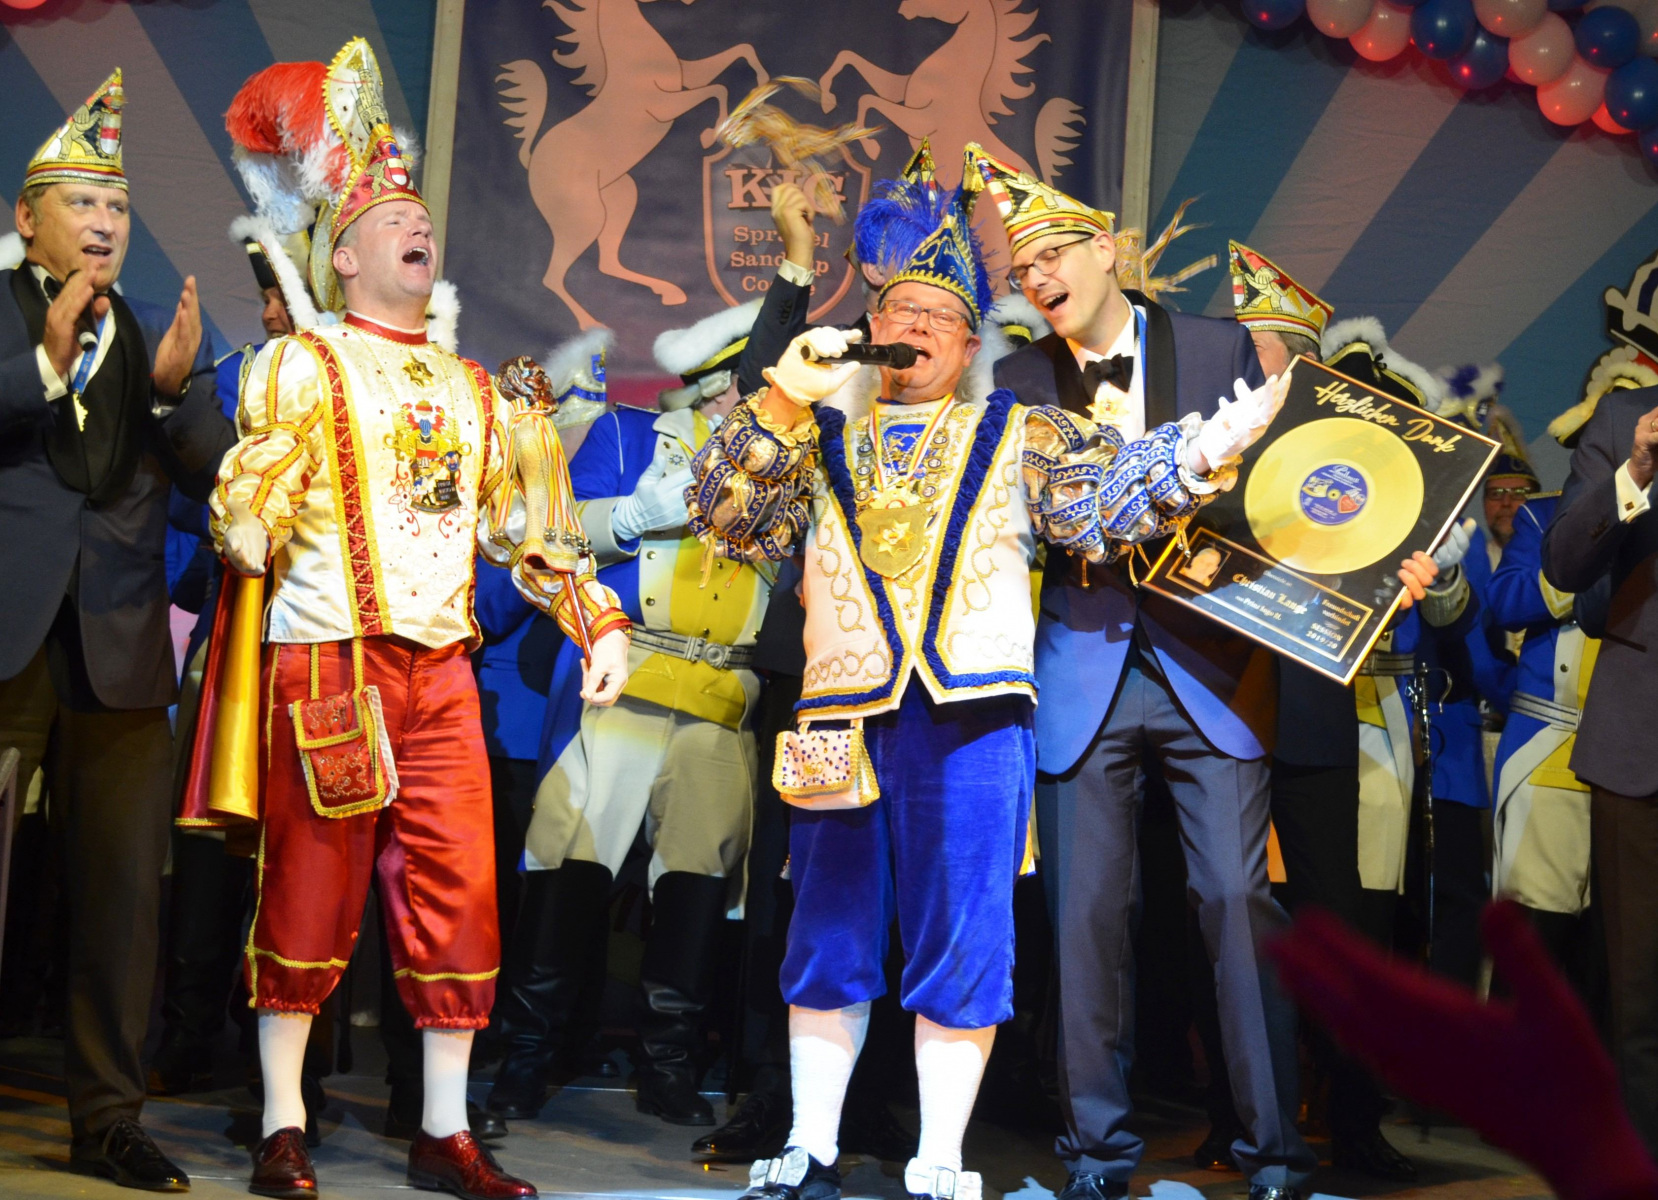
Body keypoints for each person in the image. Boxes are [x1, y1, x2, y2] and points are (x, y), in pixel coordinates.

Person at [691, 164, 1288, 1200]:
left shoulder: (1020, 430)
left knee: (965, 938)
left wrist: (1201, 453)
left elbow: (1103, 504)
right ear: (870, 329)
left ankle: (938, 1158)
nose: (915, 326)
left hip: (972, 721)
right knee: (826, 934)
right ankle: (810, 1148)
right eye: (897, 310)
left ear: (970, 346)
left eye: (940, 316)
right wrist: (782, 395)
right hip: (837, 719)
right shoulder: (814, 440)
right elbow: (724, 515)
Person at [203, 39, 630, 1199]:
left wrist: (596, 621)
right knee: (309, 887)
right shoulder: (303, 366)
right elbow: (253, 497)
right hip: (329, 664)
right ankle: (283, 1122)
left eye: (423, 220)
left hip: (441, 675)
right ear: (343, 253)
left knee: (458, 894)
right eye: (394, 218)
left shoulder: (474, 389)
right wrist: (248, 516)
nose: (417, 230)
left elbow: (526, 531)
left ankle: (445, 1131)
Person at [976, 151, 1440, 1200]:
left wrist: (1380, 572)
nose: (1036, 277)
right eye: (1020, 266)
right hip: (1081, 665)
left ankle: (1275, 1157)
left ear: (1107, 249)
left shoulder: (1219, 345)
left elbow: (1291, 496)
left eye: (1053, 255)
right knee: (1084, 918)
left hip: (1211, 666)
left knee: (1236, 901)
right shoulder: (1015, 381)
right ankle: (1096, 1156)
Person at [0, 68, 236, 1191]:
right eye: (81, 203)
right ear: (27, 217)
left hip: (122, 645)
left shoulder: (148, 330)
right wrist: (45, 368)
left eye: (118, 207)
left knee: (123, 897)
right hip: (8, 633)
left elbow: (214, 474)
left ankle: (108, 1119)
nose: (104, 223)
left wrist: (173, 396)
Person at [1543, 364, 1658, 1157]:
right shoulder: (1623, 422)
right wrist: (1638, 470)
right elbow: (1563, 565)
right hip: (1640, 744)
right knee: (1640, 993)